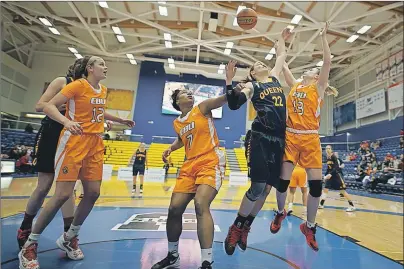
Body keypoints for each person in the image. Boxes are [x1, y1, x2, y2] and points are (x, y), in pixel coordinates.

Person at [18, 56, 134, 269]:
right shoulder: (73, 84)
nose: (105, 66)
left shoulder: (102, 89)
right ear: (89, 68)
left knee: (93, 192)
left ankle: (69, 236)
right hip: (72, 141)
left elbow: (95, 112)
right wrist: (67, 121)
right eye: (101, 63)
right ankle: (29, 243)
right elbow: (46, 106)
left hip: (95, 143)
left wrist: (119, 121)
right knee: (60, 193)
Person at [223, 28, 291, 255]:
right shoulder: (252, 86)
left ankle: (246, 227)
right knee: (258, 186)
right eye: (255, 65)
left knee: (267, 189)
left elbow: (281, 55)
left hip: (279, 139)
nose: (260, 64)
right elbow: (233, 104)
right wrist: (230, 80)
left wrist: (282, 38)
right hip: (260, 138)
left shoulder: (274, 77)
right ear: (252, 74)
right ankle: (235, 227)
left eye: (262, 63)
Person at [274, 22, 335, 252]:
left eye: (311, 69)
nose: (307, 70)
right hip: (291, 136)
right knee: (283, 181)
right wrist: (281, 41)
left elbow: (327, 61)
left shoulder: (318, 88)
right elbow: (283, 63)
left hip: (310, 139)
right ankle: (280, 213)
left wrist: (323, 37)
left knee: (316, 188)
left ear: (317, 76)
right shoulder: (294, 86)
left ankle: (309, 226)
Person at [151, 85, 227, 269]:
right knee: (174, 209)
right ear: (178, 101)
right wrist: (171, 147)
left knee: (201, 204)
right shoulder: (177, 122)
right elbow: (182, 139)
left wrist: (232, 84)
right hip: (189, 165)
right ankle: (173, 255)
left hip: (210, 161)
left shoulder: (202, 108)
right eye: (185, 92)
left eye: (190, 92)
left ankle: (206, 261)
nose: (190, 93)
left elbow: (223, 99)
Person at [17, 60, 82, 250]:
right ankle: (25, 227)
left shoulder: (87, 89)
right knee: (44, 185)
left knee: (67, 189)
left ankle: (69, 237)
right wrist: (60, 109)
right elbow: (40, 105)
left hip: (71, 138)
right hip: (52, 133)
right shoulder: (63, 81)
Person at [319, 145, 356, 212]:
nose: (327, 149)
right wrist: (325, 176)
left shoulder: (333, 156)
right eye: (326, 148)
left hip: (336, 176)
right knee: (325, 189)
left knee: (343, 192)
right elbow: (328, 168)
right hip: (330, 177)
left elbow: (336, 167)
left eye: (329, 148)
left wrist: (330, 174)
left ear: (331, 149)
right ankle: (321, 204)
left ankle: (352, 206)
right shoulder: (328, 157)